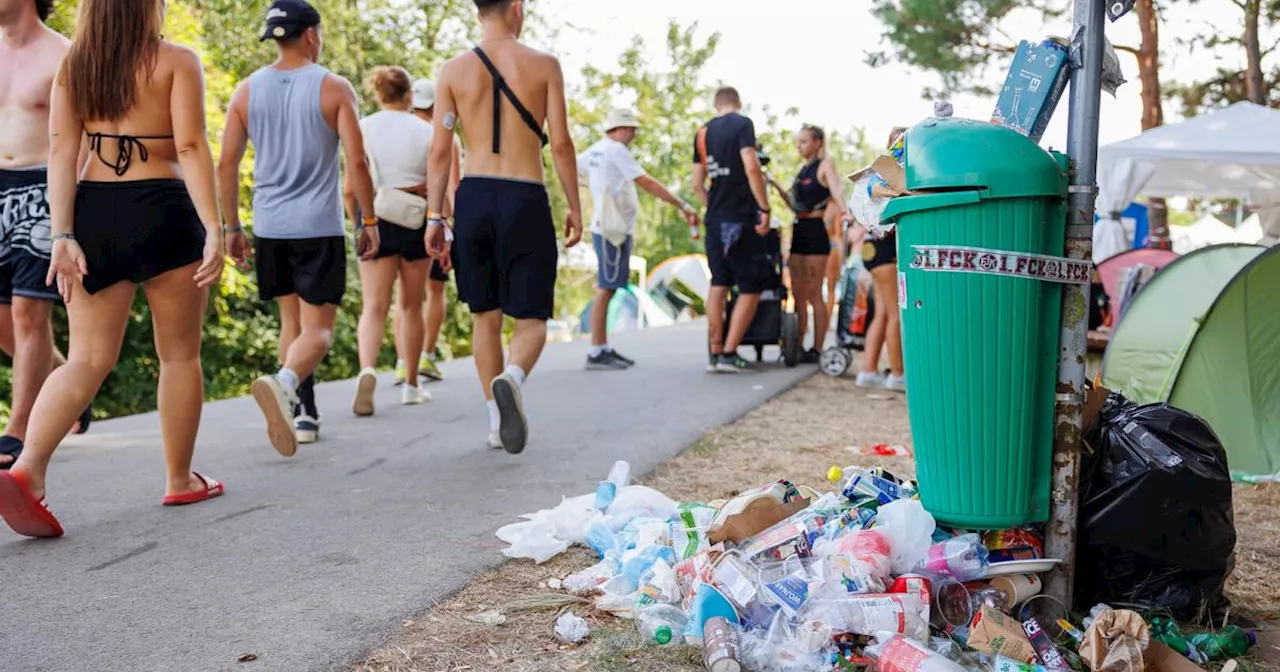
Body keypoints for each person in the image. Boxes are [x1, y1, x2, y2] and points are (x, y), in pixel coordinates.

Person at [0, 0, 227, 537]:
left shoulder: (74, 65)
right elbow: (191, 146)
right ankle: (180, 479)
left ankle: (27, 467)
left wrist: (62, 235)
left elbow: (60, 152)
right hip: (167, 209)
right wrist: (214, 226)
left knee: (85, 360)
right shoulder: (176, 60)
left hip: (95, 210)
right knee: (178, 355)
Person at [218, 0, 378, 456]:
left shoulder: (246, 91)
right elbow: (357, 161)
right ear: (311, 34)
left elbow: (227, 162)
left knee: (292, 322)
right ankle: (285, 382)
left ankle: (304, 414)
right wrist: (368, 219)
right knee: (320, 330)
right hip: (318, 225)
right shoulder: (333, 88)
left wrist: (232, 224)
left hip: (269, 225)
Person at [425, 0, 583, 454]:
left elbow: (440, 151)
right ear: (517, 7)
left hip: (473, 197)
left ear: (478, 11)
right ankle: (512, 379)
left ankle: (496, 422)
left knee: (484, 315)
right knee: (532, 317)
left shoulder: (452, 71)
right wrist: (573, 205)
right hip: (525, 195)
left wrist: (436, 215)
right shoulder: (544, 65)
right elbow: (563, 145)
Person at [0, 0, 94, 471]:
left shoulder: (64, 55)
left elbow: (85, 137)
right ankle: (66, 382)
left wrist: (70, 216)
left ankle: (16, 432)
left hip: (43, 187)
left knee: (27, 310)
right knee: (3, 321)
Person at [577, 107, 698, 370]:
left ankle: (603, 346)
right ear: (618, 129)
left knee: (608, 288)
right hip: (611, 228)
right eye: (631, 128)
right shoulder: (615, 150)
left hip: (611, 226)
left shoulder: (596, 150)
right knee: (605, 288)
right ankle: (596, 350)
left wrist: (595, 190)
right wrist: (681, 204)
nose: (634, 134)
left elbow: (574, 170)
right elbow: (647, 182)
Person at [347, 65, 433, 415]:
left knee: (374, 306)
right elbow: (436, 179)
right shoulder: (425, 130)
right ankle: (411, 385)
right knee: (411, 305)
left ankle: (367, 369)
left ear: (379, 94)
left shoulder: (363, 127)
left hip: (375, 216)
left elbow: (351, 184)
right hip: (415, 217)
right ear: (409, 94)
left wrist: (357, 223)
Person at [691, 86, 771, 373]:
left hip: (715, 218)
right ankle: (729, 352)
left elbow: (697, 183)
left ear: (716, 105)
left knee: (718, 283)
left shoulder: (702, 132)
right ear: (737, 103)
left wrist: (712, 206)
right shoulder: (743, 124)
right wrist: (764, 207)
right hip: (741, 217)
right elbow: (751, 167)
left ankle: (715, 349)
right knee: (750, 287)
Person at [392, 77, 460, 386]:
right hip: (434, 218)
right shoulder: (445, 136)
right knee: (434, 291)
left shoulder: (398, 133)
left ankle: (402, 359)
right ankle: (427, 355)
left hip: (398, 216)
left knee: (404, 298)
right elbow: (454, 186)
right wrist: (450, 223)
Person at [767, 124, 847, 364]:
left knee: (814, 292)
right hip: (799, 229)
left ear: (817, 143)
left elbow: (836, 190)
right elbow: (794, 204)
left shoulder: (825, 165)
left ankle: (818, 348)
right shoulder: (802, 170)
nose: (799, 146)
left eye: (803, 141)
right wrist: (774, 184)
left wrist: (842, 213)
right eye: (798, 141)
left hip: (815, 232)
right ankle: (797, 344)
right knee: (798, 293)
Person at [856, 127, 906, 391]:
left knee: (883, 313)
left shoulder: (877, 171)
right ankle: (897, 374)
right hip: (885, 249)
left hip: (871, 248)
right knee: (895, 312)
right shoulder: (897, 173)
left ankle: (868, 370)